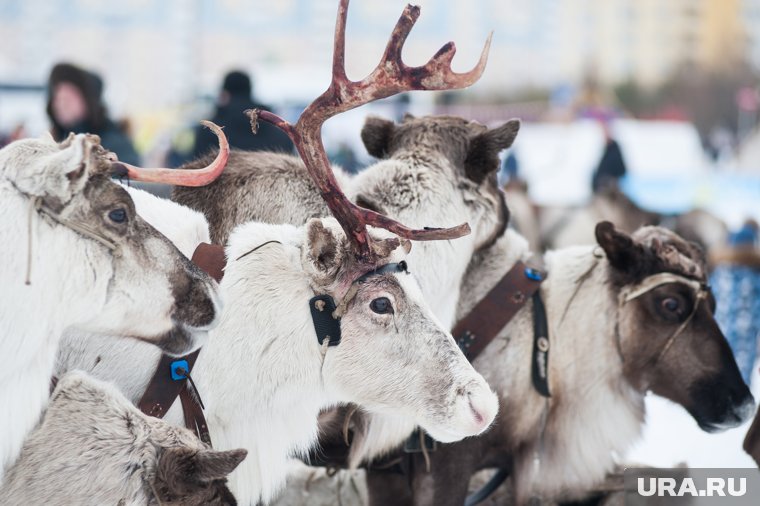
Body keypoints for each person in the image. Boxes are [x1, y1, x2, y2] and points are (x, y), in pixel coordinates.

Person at [46, 63, 140, 165]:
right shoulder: (54, 143)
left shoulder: (117, 145)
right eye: (58, 97)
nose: (62, 104)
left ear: (89, 101)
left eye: (69, 97)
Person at [191, 70, 292, 159]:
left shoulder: (209, 132)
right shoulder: (278, 133)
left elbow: (198, 167)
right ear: (250, 91)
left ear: (225, 93)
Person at [710, 220, 760, 384]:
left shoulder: (719, 274)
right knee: (739, 386)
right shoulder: (755, 277)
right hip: (745, 342)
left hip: (717, 338)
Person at [591, 122, 627, 193]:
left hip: (610, 186)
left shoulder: (615, 149)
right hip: (600, 186)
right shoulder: (600, 148)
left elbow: (621, 169)